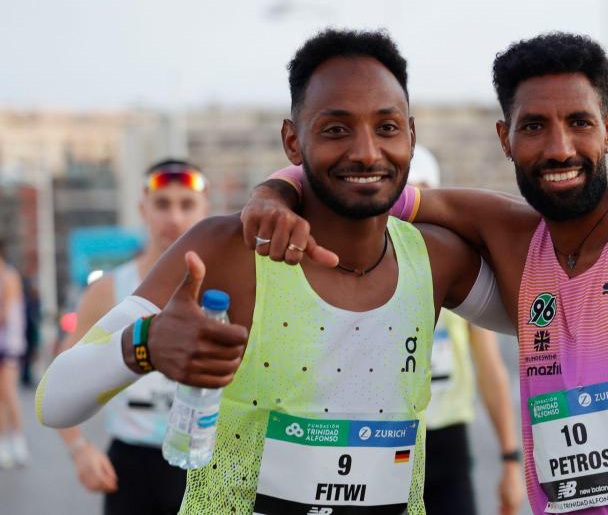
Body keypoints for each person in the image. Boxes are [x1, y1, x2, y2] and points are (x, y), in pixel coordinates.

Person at [246, 32, 608, 513]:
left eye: (579, 123)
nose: (559, 147)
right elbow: (364, 178)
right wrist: (273, 194)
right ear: (505, 138)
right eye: (534, 126)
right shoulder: (513, 237)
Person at [37, 28, 514, 515]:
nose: (366, 151)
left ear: (411, 135)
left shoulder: (437, 260)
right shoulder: (229, 249)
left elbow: (544, 316)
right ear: (293, 140)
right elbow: (55, 401)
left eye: (387, 128)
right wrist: (144, 343)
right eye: (336, 129)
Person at [56, 160, 210, 514]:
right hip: (132, 464)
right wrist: (80, 449)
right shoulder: (110, 290)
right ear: (143, 209)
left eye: (186, 204)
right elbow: (61, 377)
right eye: (162, 204)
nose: (174, 217)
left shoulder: (228, 285)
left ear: (205, 209)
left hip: (205, 462)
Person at [409, 146, 523, 515]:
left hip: (448, 439)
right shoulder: (370, 273)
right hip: (383, 443)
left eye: (422, 196)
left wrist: (510, 458)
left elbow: (490, 368)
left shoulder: (456, 269)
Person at [0, 240, 28, 469]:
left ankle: (17, 440)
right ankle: (3, 443)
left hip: (9, 344)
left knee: (8, 393)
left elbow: (6, 314)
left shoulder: (8, 276)